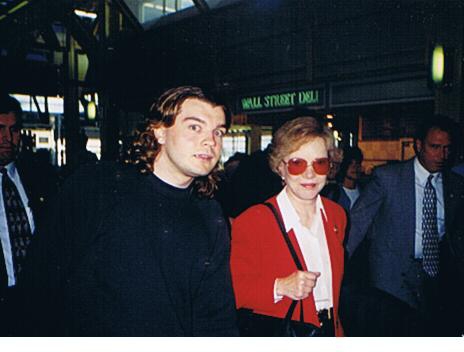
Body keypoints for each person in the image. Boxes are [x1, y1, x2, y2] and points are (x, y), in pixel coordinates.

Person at [27, 86, 238, 336]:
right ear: (159, 131)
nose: (210, 141)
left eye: (218, 132)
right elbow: (40, 282)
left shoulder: (209, 214)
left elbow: (215, 316)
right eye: (195, 127)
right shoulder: (99, 186)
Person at [345, 114, 464, 336]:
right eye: (435, 147)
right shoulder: (388, 178)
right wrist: (337, 264)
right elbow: (357, 224)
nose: (442, 155)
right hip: (391, 276)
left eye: (447, 148)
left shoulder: (455, 185)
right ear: (418, 145)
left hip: (433, 276)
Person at [230, 116, 347, 337]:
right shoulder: (254, 220)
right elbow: (232, 290)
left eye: (319, 163)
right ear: (280, 167)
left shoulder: (336, 216)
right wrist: (280, 287)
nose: (310, 173)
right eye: (297, 163)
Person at [0, 94, 57, 335]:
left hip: (37, 299)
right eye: (0, 129)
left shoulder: (38, 177)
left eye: (13, 130)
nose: (7, 138)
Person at [322, 146, 364, 211]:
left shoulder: (365, 191)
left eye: (357, 163)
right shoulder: (334, 193)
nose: (355, 167)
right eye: (350, 164)